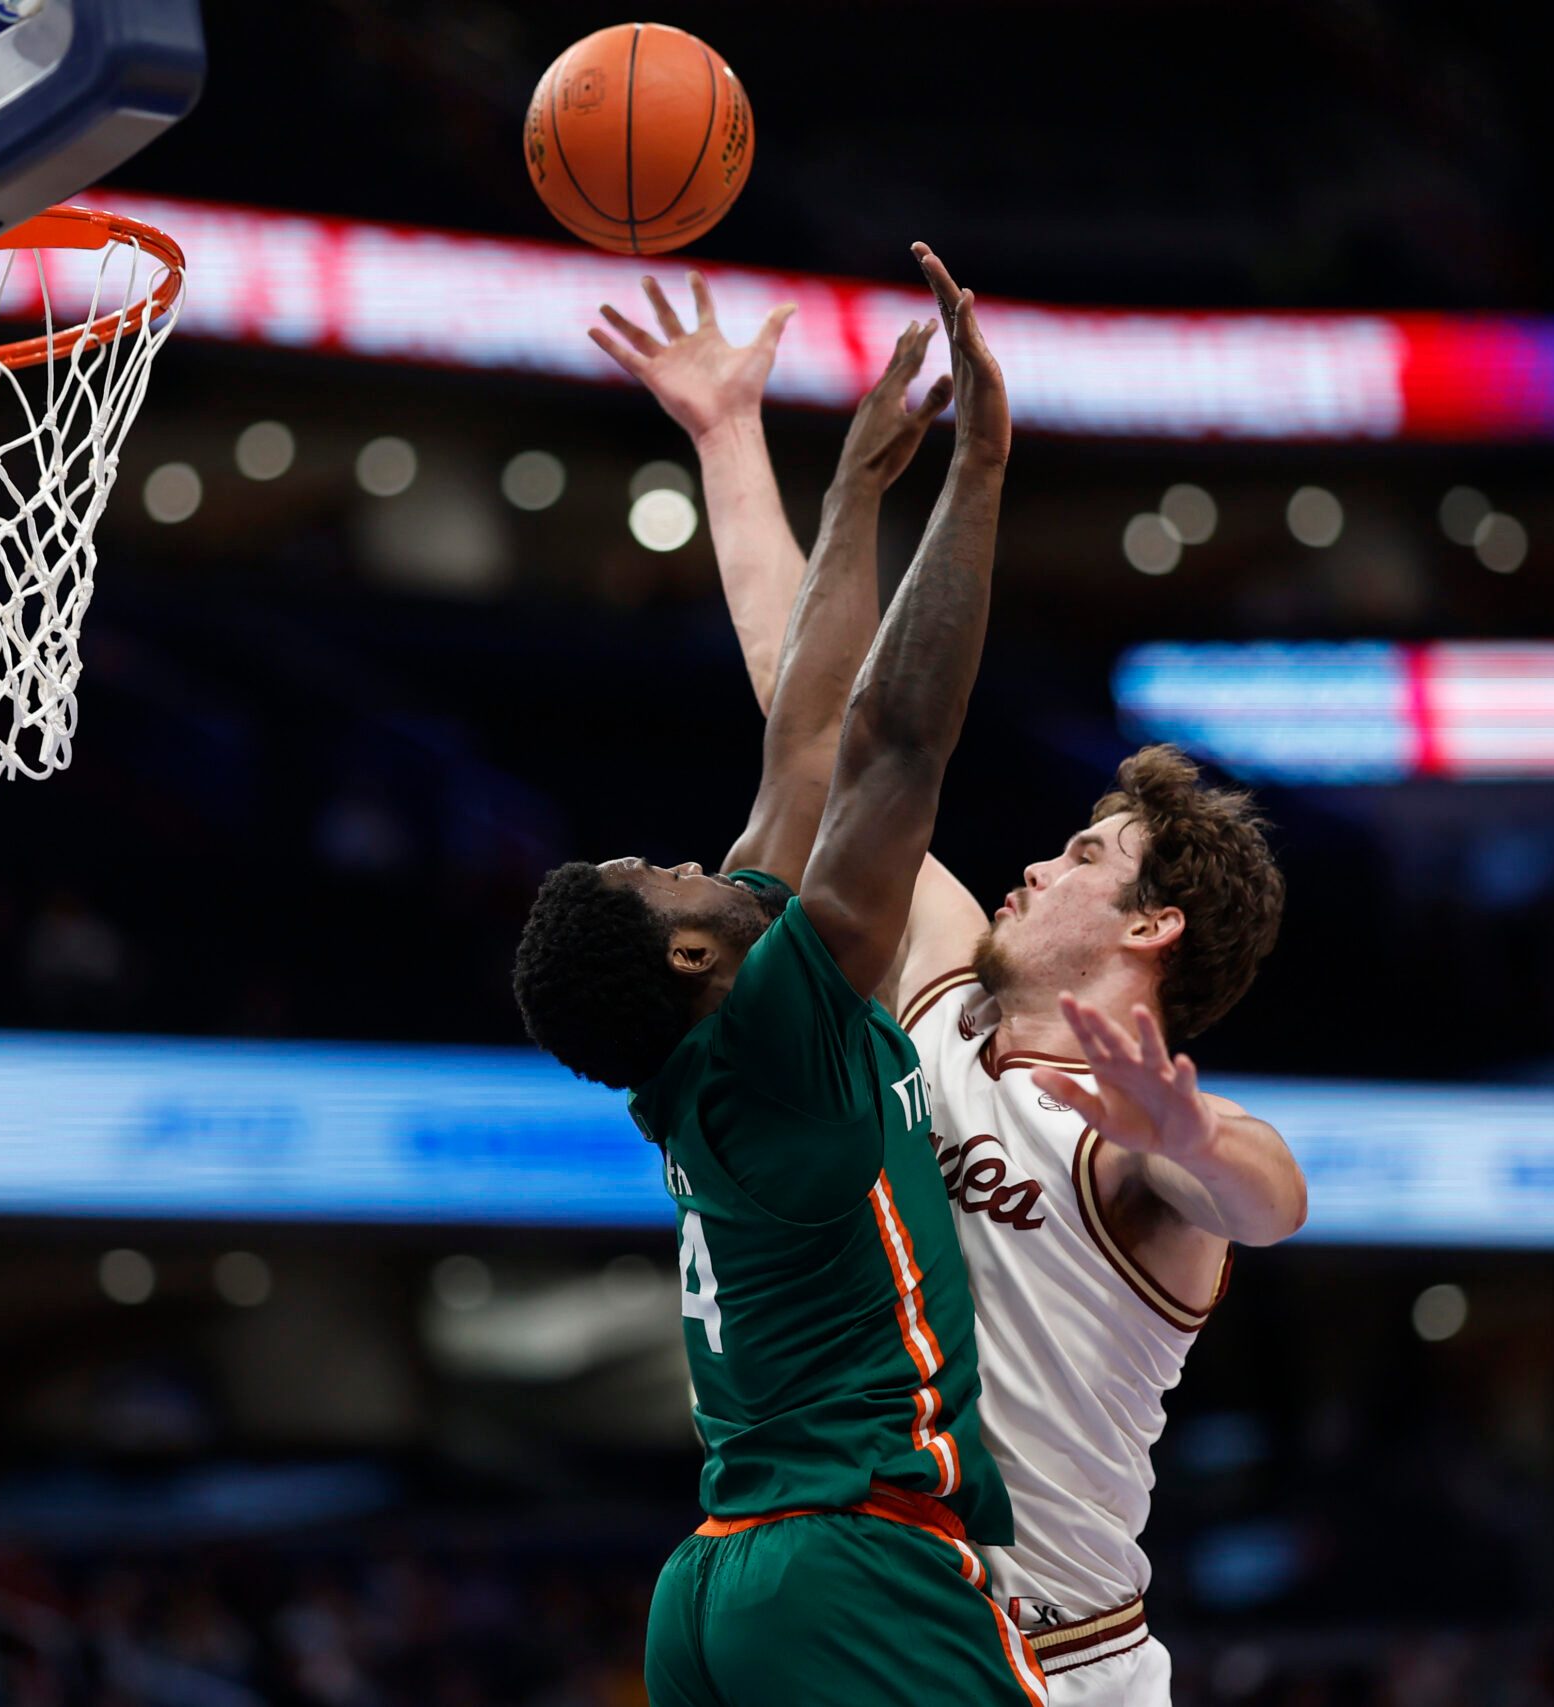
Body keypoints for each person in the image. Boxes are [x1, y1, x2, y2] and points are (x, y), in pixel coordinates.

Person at [594, 271, 1307, 1706]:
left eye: (1087, 855)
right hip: (888, 1597)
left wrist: (1190, 1140)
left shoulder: (1134, 1139)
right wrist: (730, 435)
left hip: (1067, 1650)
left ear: (1156, 925)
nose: (1039, 864)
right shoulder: (934, 986)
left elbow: (1268, 1199)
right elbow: (815, 716)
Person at [514, 244, 1047, 1707]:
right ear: (689, 953)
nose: (693, 860)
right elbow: (893, 750)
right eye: (664, 875)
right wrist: (981, 467)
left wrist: (854, 490)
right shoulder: (773, 1041)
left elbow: (803, 743)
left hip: (722, 1585)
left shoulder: (714, 1038)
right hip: (850, 1569)